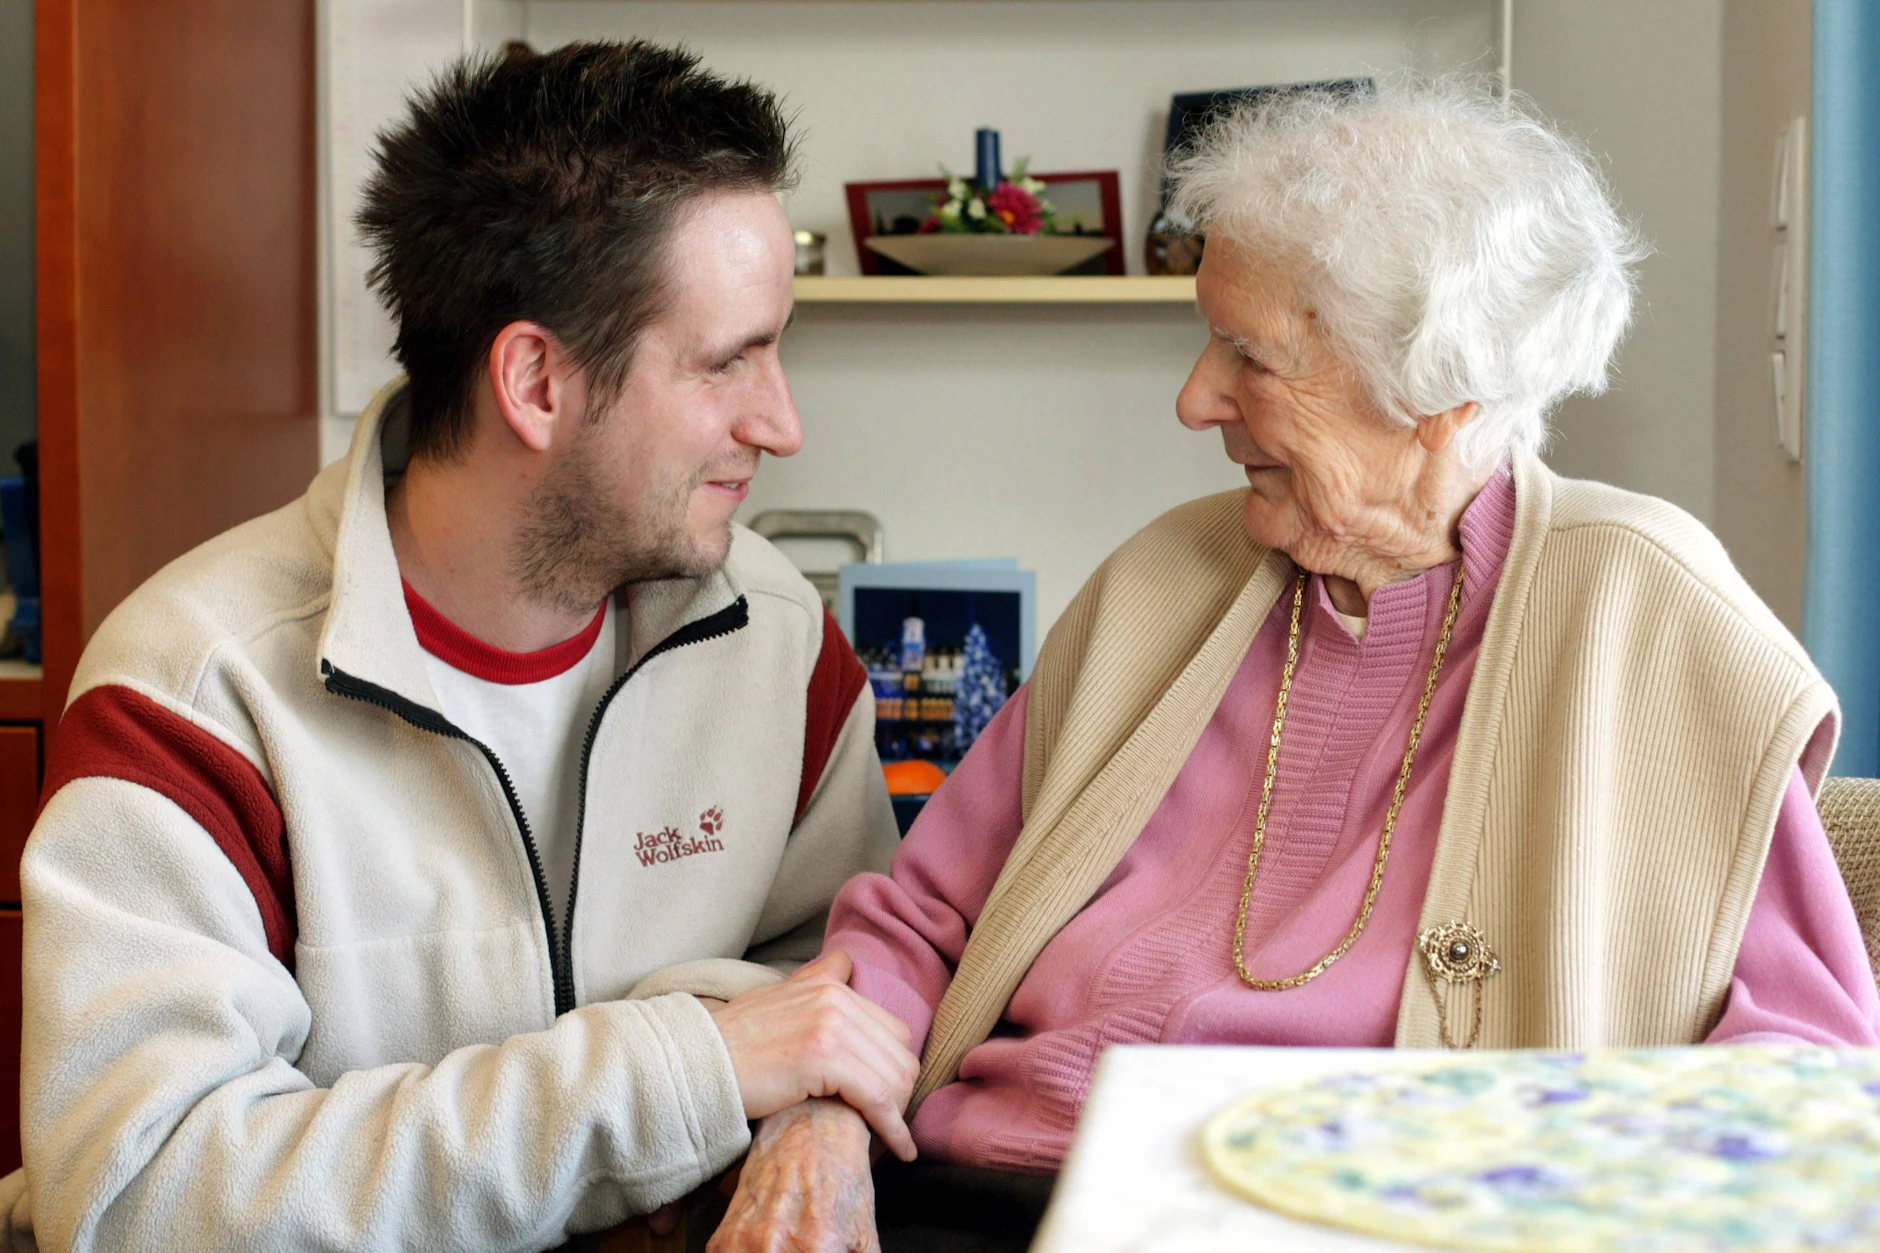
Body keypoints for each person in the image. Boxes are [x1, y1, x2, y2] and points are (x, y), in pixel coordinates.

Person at [708, 76, 1880, 1252]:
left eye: (1247, 354)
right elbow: (917, 919)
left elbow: (1797, 1071)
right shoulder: (1158, 585)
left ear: (1437, 393)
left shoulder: (1647, 619)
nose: (1193, 398)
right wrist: (820, 1116)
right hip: (970, 1197)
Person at [3, 42, 920, 1252]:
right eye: (727, 360)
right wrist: (673, 1073)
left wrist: (809, 1109)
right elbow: (134, 1194)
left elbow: (848, 978)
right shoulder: (195, 693)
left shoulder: (777, 635)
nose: (782, 421)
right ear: (533, 381)